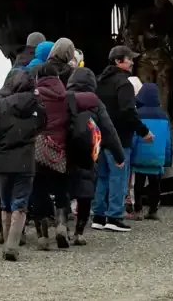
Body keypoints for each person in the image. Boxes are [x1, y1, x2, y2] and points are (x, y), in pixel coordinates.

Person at [0, 70, 46, 261]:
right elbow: (42, 125)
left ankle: (5, 237)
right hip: (26, 160)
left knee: (5, 200)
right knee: (20, 202)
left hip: (2, 160)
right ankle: (12, 244)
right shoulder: (38, 106)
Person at [93, 45, 152, 232]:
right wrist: (144, 131)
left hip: (100, 138)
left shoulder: (98, 82)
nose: (133, 62)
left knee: (102, 177)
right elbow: (128, 111)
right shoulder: (124, 83)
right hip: (119, 138)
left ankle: (98, 216)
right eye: (129, 59)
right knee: (118, 177)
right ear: (119, 61)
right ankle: (114, 217)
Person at [64, 67, 125, 245]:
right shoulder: (95, 102)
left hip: (65, 153)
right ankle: (79, 233)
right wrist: (119, 156)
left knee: (64, 191)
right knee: (85, 192)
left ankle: (63, 226)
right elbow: (109, 130)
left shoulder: (64, 98)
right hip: (87, 155)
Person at [31, 63, 72, 250]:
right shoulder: (66, 95)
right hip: (60, 148)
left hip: (39, 149)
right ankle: (62, 224)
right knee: (61, 187)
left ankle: (42, 235)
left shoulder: (35, 94)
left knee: (38, 188)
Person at [129, 83, 173, 221]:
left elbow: (134, 138)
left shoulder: (137, 115)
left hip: (139, 157)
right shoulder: (164, 116)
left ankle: (138, 210)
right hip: (157, 158)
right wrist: (167, 159)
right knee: (155, 184)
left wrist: (129, 155)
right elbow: (168, 141)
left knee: (139, 184)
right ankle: (153, 210)